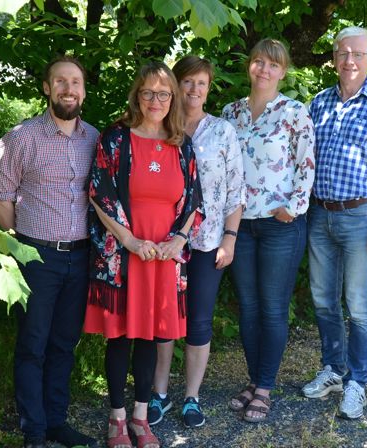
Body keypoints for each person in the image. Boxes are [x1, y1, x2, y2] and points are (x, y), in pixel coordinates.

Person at [84, 61, 203, 448]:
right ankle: (117, 419)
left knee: (152, 338)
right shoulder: (116, 138)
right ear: (138, 95)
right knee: (120, 338)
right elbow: (100, 195)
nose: (156, 100)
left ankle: (140, 417)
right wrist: (130, 241)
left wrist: (178, 241)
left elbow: (194, 202)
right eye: (149, 93)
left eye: (164, 93)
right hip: (125, 255)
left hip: (164, 260)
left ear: (173, 98)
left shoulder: (181, 143)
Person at [0, 56, 99, 448]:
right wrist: (17, 242)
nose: (69, 89)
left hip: (81, 256)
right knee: (33, 344)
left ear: (83, 90)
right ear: (47, 88)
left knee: (64, 343)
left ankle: (56, 422)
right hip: (37, 256)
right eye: (61, 82)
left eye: (75, 82)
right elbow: (0, 196)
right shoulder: (21, 138)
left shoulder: (95, 138)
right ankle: (33, 430)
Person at [302, 26, 367, 420]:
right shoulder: (318, 103)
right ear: (333, 58)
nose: (350, 61)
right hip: (319, 213)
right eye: (343, 53)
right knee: (323, 300)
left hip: (363, 216)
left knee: (359, 304)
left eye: (358, 54)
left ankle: (357, 382)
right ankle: (332, 369)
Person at [222, 38, 315, 423]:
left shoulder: (294, 112)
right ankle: (253, 378)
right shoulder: (231, 113)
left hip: (279, 225)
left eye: (273, 64)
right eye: (258, 62)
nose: (264, 69)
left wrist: (291, 209)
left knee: (274, 308)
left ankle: (264, 388)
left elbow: (306, 166)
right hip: (238, 225)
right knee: (249, 307)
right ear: (250, 66)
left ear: (283, 71)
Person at [149, 56, 245, 428]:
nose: (193, 90)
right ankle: (158, 394)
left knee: (199, 321)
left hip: (206, 243)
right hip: (163, 242)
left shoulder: (222, 132)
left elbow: (236, 190)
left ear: (209, 88)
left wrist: (230, 239)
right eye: (187, 82)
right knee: (163, 319)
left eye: (201, 83)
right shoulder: (160, 127)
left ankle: (191, 397)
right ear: (176, 85)